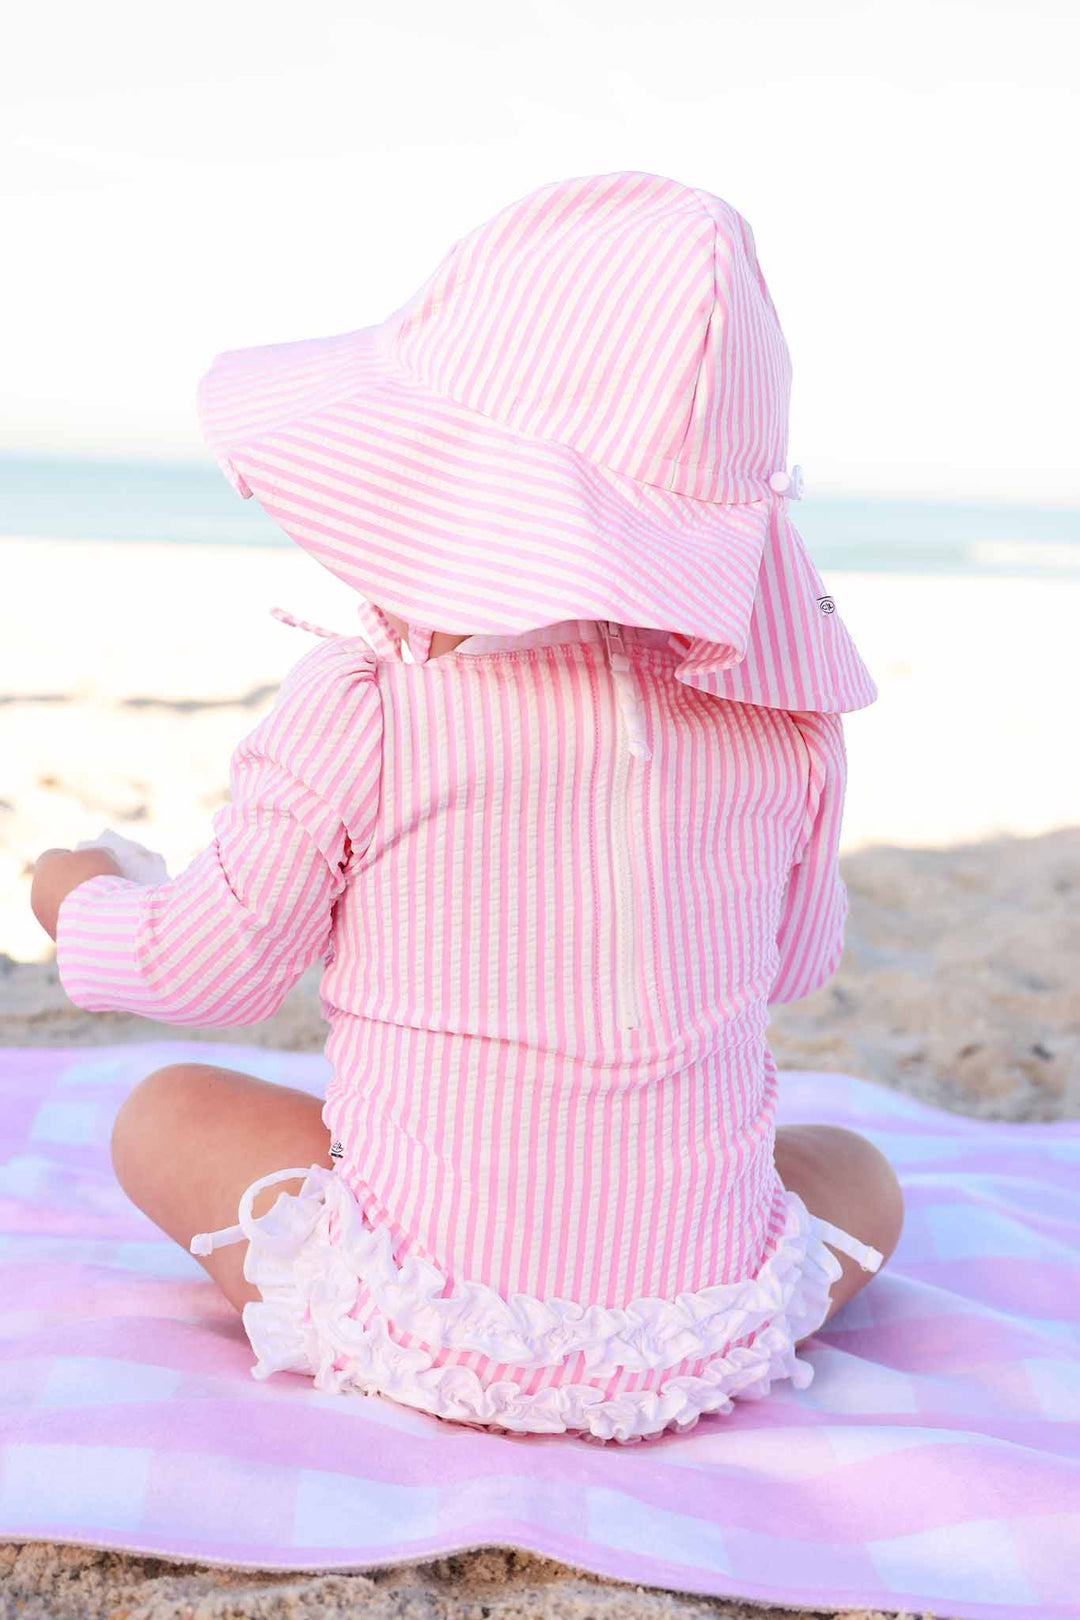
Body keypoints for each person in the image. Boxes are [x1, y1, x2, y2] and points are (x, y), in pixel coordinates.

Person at [31, 171, 904, 1445]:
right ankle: (653, 1317)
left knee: (165, 1107)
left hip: (426, 1314)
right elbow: (793, 963)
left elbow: (209, 969)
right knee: (855, 1172)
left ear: (441, 490)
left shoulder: (373, 704)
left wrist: (78, 894)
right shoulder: (780, 727)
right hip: (697, 1325)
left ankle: (443, 1331)